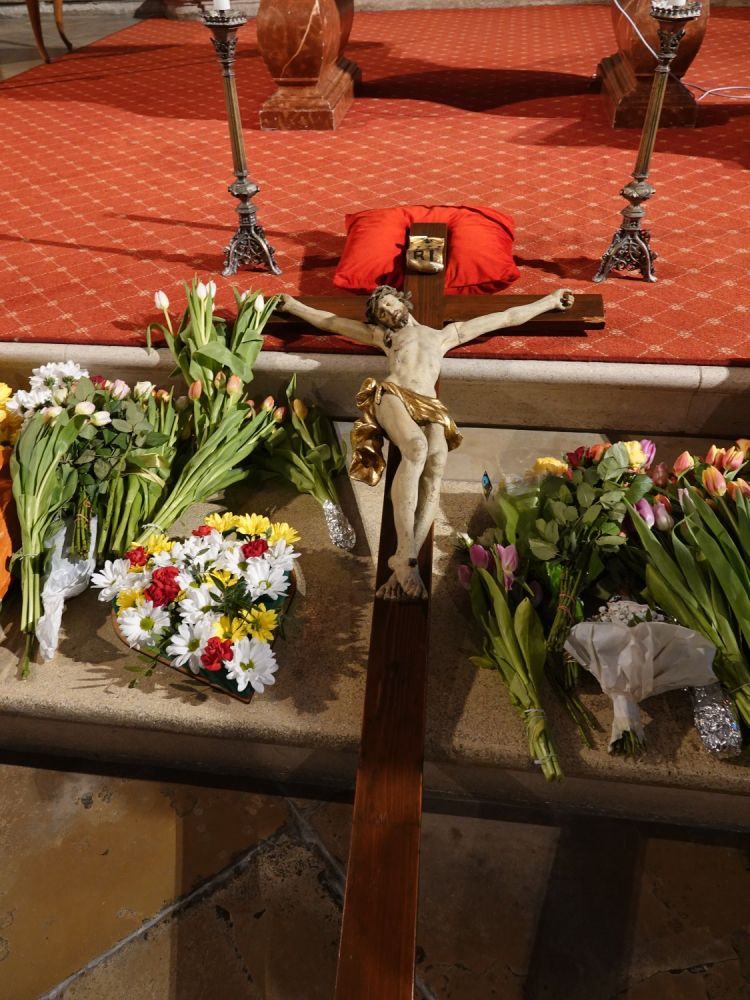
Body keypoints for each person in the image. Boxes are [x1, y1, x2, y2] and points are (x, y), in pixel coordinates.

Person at [278, 285, 575, 600]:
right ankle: (405, 554)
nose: (388, 312)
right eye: (381, 312)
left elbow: (506, 317)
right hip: (393, 394)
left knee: (435, 468)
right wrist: (294, 305)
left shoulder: (445, 335)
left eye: (390, 303)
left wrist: (549, 301)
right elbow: (331, 322)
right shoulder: (384, 338)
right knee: (416, 449)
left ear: (403, 301)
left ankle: (405, 563)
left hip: (430, 405)